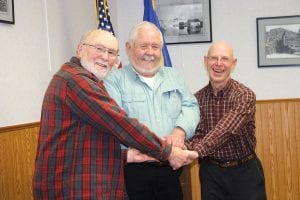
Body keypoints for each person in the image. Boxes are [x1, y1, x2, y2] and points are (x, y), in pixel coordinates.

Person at [32, 29, 198, 200]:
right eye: (99, 49)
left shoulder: (83, 79)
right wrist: (169, 152)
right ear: (80, 49)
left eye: (111, 52)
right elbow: (120, 123)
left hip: (92, 179)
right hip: (72, 188)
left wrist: (128, 156)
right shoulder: (76, 81)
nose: (105, 57)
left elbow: (90, 142)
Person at [104, 21, 200, 200]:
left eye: (155, 47)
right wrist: (159, 149)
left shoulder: (174, 76)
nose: (150, 52)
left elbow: (191, 106)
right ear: (129, 47)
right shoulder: (114, 81)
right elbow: (119, 124)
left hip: (170, 169)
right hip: (134, 172)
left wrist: (180, 131)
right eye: (144, 46)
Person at [186, 41, 267, 200]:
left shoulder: (245, 96)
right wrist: (177, 148)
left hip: (245, 172)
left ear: (233, 63)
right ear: (205, 61)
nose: (218, 63)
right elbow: (198, 135)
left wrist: (194, 152)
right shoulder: (197, 98)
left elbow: (226, 130)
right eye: (213, 58)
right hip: (211, 174)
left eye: (224, 58)